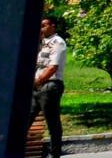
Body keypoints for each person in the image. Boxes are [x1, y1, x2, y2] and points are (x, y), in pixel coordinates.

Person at [32, 17, 64, 158]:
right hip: (37, 87)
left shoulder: (58, 43)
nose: (41, 28)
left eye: (44, 25)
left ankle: (55, 153)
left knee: (52, 122)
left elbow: (52, 68)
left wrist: (38, 82)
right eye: (40, 26)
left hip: (49, 86)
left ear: (53, 26)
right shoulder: (42, 43)